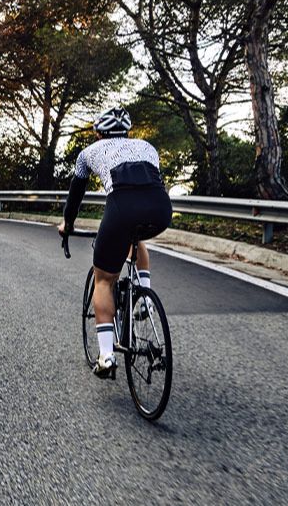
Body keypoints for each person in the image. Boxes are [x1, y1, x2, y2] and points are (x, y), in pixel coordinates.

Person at [58, 107, 172, 377]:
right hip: (160, 210)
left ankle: (107, 355)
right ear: (127, 131)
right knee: (137, 238)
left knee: (104, 280)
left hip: (122, 208)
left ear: (98, 132)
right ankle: (144, 298)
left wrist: (68, 225)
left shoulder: (88, 153)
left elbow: (75, 196)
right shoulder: (147, 147)